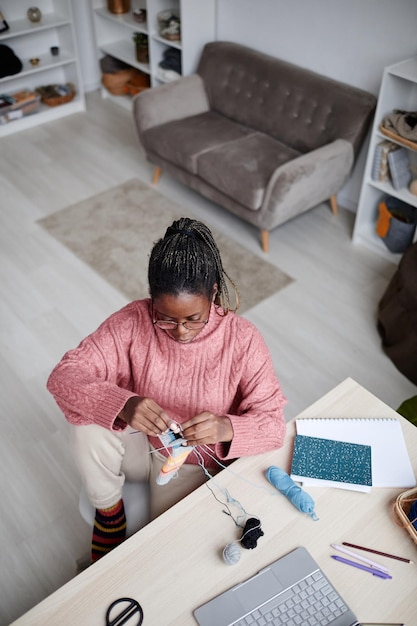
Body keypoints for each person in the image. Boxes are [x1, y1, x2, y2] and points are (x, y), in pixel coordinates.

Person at [47, 217, 287, 562]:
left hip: (190, 465)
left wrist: (225, 426)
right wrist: (124, 404)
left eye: (193, 318)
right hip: (138, 446)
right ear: (151, 300)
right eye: (165, 317)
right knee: (85, 421)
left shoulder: (243, 340)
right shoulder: (132, 320)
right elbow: (63, 377)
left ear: (214, 294)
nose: (180, 332)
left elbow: (274, 426)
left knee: (169, 554)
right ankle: (109, 517)